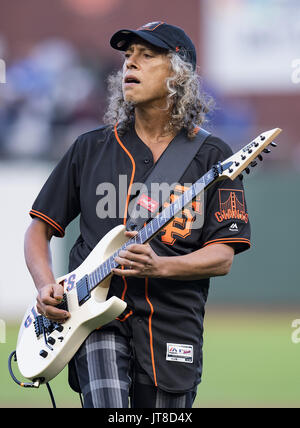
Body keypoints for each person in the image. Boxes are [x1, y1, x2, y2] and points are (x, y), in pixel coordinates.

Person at [24, 22, 251, 408]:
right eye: (128, 57)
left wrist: (160, 268)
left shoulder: (213, 156)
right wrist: (45, 284)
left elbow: (223, 255)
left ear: (178, 74)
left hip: (173, 323)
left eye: (147, 56)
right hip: (96, 320)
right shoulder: (89, 147)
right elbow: (39, 229)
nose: (131, 64)